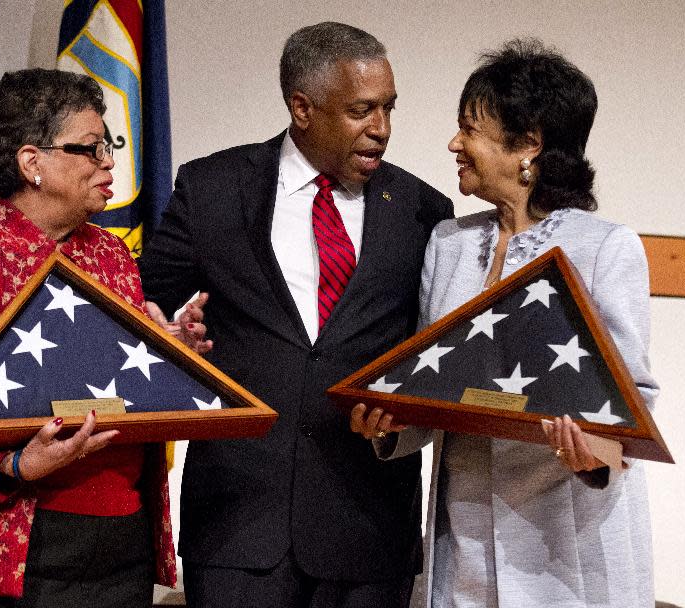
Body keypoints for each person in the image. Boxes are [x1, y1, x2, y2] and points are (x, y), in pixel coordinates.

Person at [140, 21, 453, 608]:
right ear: (302, 107)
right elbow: (139, 307)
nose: (381, 129)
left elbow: (429, 356)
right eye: (362, 110)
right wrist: (172, 338)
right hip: (238, 527)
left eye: (388, 108)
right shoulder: (213, 188)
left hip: (367, 528)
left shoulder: (423, 210)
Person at [351, 38, 658, 607]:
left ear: (528, 147)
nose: (454, 143)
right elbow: (429, 380)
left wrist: (595, 451)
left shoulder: (605, 248)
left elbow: (632, 400)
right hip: (461, 542)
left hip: (567, 548)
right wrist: (389, 425)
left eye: (470, 128)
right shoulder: (448, 242)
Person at [0, 68, 208, 607]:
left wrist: (169, 353)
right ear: (31, 162)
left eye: (108, 146)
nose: (110, 161)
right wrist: (16, 466)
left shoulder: (112, 255)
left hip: (116, 551)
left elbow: (115, 381)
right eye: (91, 148)